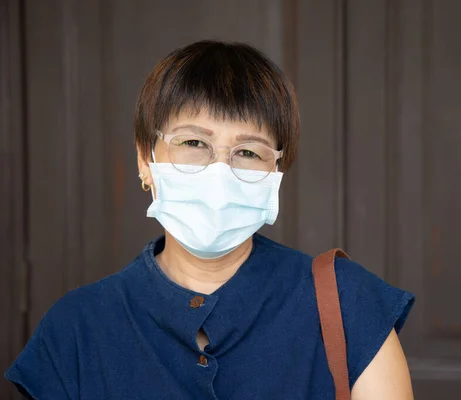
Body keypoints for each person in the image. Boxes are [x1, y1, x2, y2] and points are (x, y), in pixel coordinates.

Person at [5, 40, 415, 399]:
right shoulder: (76, 328)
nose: (219, 172)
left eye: (248, 152)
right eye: (194, 143)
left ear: (276, 172)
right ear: (145, 160)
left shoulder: (347, 303)